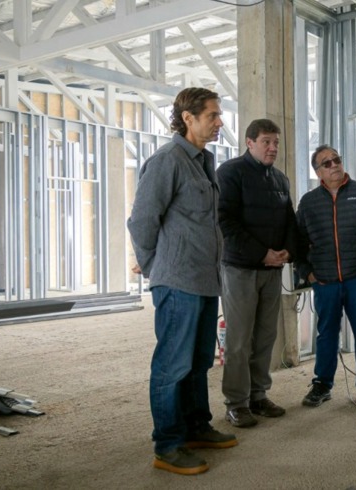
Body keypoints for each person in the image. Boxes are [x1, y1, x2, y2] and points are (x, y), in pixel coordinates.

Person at [127, 87, 237, 475]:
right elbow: (142, 220)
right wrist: (156, 267)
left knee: (198, 361)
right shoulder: (167, 160)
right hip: (178, 281)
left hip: (206, 280)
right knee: (172, 365)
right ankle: (168, 444)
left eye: (219, 114)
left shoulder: (203, 161)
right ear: (188, 118)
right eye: (212, 115)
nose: (220, 122)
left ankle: (196, 427)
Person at [218, 118, 297, 428]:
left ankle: (258, 395)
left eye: (275, 142)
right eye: (266, 141)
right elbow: (225, 222)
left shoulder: (280, 179)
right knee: (239, 340)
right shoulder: (229, 173)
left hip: (272, 271)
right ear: (249, 142)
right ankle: (236, 403)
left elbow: (290, 220)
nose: (273, 147)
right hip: (240, 269)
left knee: (266, 336)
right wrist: (262, 253)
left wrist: (287, 252)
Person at [295, 145, 356, 407]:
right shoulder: (308, 203)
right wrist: (308, 273)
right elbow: (298, 242)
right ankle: (322, 383)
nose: (334, 165)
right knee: (326, 333)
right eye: (326, 163)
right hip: (325, 280)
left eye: (337, 160)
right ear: (318, 172)